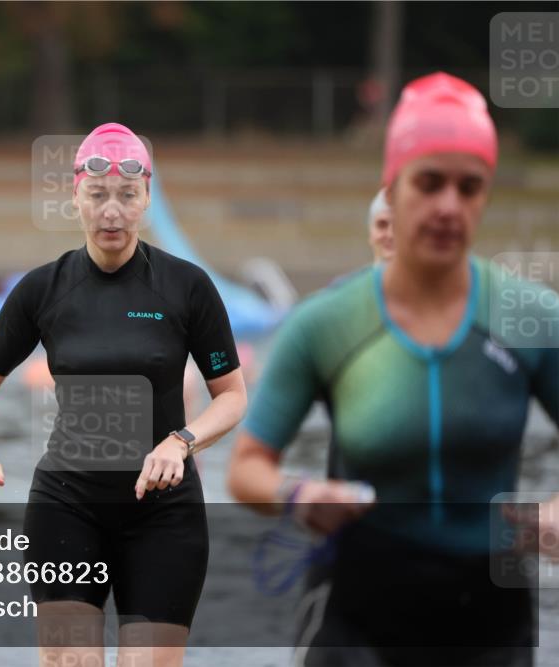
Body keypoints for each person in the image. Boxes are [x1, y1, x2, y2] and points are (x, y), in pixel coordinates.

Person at [227, 72, 558, 666]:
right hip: (360, 618)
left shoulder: (530, 318)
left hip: (490, 621)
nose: (448, 207)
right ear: (393, 183)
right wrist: (298, 494)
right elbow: (247, 466)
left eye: (469, 187)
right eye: (429, 183)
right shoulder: (326, 323)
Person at [0, 123, 247, 666]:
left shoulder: (187, 288)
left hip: (163, 515)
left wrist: (181, 441)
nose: (112, 211)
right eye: (97, 196)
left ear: (147, 199)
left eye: (127, 196)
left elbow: (231, 395)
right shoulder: (45, 288)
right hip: (67, 506)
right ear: (75, 198)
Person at [366, 188, 393, 264]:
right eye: (382, 225)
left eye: (398, 226)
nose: (390, 235)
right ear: (370, 233)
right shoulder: (356, 276)